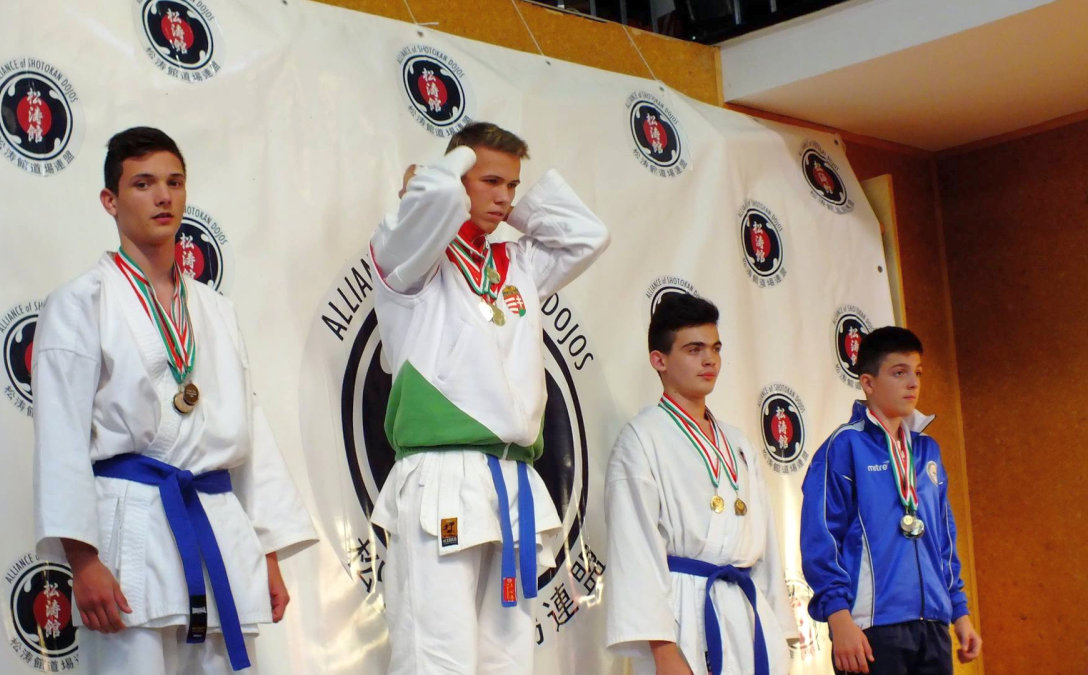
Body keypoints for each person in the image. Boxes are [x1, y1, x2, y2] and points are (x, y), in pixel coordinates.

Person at [31, 127, 317, 674]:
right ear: (110, 201)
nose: (163, 196)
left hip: (219, 530)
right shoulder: (80, 302)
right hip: (129, 535)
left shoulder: (215, 308)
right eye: (143, 184)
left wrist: (265, 551)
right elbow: (60, 437)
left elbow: (248, 428)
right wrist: (83, 561)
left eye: (174, 182)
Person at [368, 121, 609, 674]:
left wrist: (508, 207)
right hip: (440, 474)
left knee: (509, 659)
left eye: (512, 185)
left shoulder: (518, 265)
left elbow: (588, 236)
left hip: (512, 478)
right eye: (490, 182)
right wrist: (445, 180)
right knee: (436, 656)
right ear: (456, 182)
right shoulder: (410, 261)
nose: (503, 197)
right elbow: (429, 204)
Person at [604, 292, 795, 675]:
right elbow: (634, 548)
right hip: (681, 613)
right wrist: (663, 649)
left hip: (747, 609)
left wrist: (779, 627)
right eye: (694, 349)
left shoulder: (738, 442)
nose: (710, 360)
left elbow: (767, 545)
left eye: (715, 348)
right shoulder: (641, 438)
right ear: (659, 360)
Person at [800, 326, 982, 674]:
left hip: (933, 625)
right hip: (872, 627)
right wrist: (839, 619)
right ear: (868, 383)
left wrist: (960, 612)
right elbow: (821, 539)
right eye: (899, 373)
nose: (912, 383)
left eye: (918, 372)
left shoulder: (927, 451)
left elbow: (943, 540)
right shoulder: (844, 447)